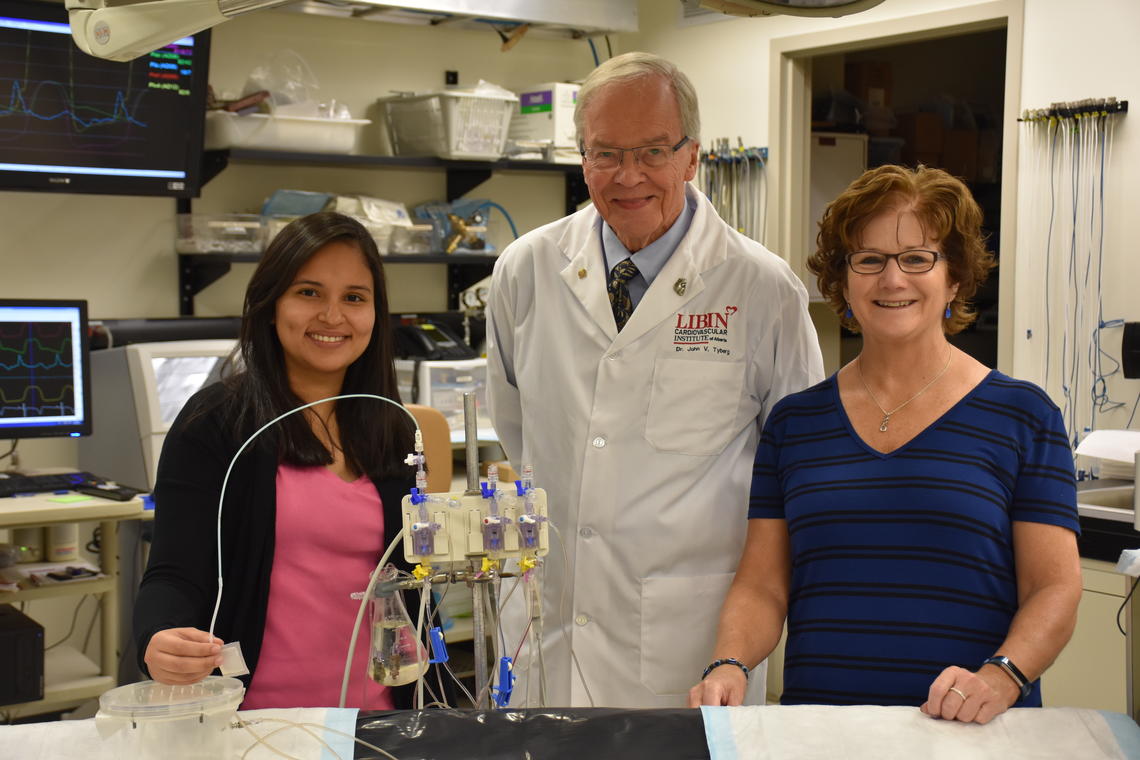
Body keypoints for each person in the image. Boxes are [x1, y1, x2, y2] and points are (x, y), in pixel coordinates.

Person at [486, 52, 824, 708]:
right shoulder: (524, 271)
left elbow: (794, 475)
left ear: (692, 156)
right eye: (605, 153)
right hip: (546, 628)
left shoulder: (761, 289)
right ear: (581, 156)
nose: (628, 175)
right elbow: (518, 431)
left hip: (688, 650)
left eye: (653, 151)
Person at [689, 165, 1082, 724]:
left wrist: (1002, 676)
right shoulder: (795, 424)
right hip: (822, 729)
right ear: (843, 282)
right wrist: (729, 663)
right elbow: (762, 585)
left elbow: (1055, 588)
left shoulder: (1023, 417)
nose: (892, 280)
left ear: (954, 278)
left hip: (970, 730)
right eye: (868, 260)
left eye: (917, 258)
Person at [134, 212, 417, 709]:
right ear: (270, 305)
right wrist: (159, 639)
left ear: (376, 313)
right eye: (309, 293)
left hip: (379, 716)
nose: (332, 316)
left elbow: (412, 579)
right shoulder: (217, 422)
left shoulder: (393, 430)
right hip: (255, 718)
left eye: (354, 297)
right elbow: (174, 573)